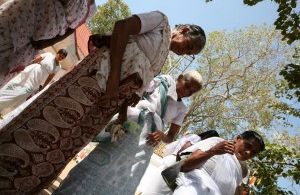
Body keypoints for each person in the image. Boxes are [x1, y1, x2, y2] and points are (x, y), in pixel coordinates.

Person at [0, 11, 206, 194]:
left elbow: (135, 86)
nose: (184, 52)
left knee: (68, 141)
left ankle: (23, 185)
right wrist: (115, 76)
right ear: (184, 30)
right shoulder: (160, 21)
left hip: (108, 102)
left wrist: (123, 112)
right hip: (98, 78)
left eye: (189, 54)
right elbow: (122, 27)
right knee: (49, 124)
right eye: (187, 46)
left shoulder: (161, 60)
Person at [53, 71, 203, 195]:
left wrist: (161, 135)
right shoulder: (162, 81)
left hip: (146, 144)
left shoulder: (182, 108)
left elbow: (171, 136)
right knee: (100, 163)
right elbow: (134, 93)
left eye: (191, 91)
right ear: (180, 78)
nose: (187, 91)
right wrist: (122, 115)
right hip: (130, 128)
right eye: (187, 86)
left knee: (124, 176)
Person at [0, 0, 96, 88]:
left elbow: (72, 28)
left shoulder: (91, 8)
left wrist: (49, 42)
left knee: (5, 68)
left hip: (32, 44)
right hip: (19, 19)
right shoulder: (48, 56)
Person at [172, 130, 265, 195]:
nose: (248, 153)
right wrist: (213, 151)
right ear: (238, 138)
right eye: (248, 146)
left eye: (253, 152)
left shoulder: (241, 170)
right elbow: (184, 166)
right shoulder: (217, 142)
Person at [142, 130, 219, 195]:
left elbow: (170, 149)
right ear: (207, 136)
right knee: (155, 192)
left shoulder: (191, 136)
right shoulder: (196, 138)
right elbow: (181, 153)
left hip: (172, 162)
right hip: (174, 163)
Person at [0, 49, 68, 117]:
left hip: (38, 79)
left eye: (62, 58)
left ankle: (3, 105)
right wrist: (25, 66)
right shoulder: (49, 55)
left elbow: (50, 77)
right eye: (60, 56)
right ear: (57, 53)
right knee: (15, 84)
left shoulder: (59, 67)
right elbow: (36, 60)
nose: (60, 58)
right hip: (32, 71)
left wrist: (43, 87)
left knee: (24, 92)